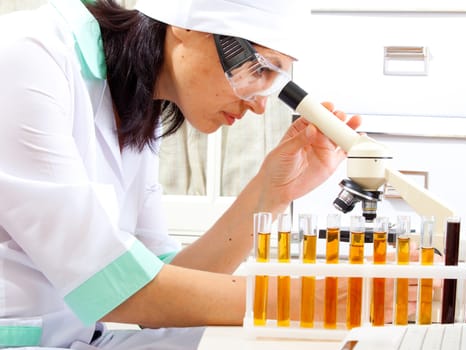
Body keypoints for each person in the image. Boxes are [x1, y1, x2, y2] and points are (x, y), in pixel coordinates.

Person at [0, 0, 363, 348]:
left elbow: (162, 295)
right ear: (186, 25)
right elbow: (110, 284)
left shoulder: (134, 106)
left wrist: (271, 192)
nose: (259, 104)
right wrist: (304, 299)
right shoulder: (28, 57)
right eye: (257, 68)